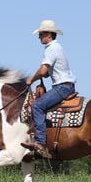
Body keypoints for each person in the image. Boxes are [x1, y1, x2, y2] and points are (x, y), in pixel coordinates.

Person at [21, 20, 77, 158]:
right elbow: (46, 72)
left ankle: (40, 143)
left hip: (62, 87)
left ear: (49, 35)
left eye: (41, 34)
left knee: (37, 106)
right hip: (66, 85)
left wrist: (31, 80)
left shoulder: (51, 49)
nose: (39, 36)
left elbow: (43, 70)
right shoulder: (57, 47)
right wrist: (43, 74)